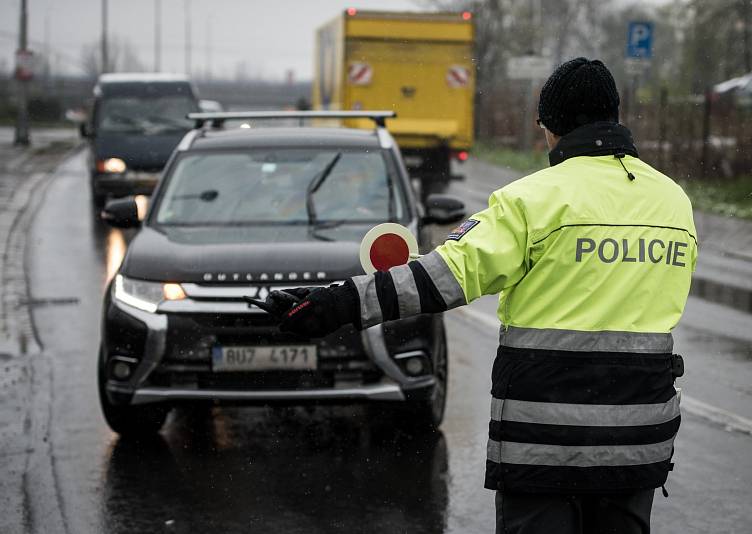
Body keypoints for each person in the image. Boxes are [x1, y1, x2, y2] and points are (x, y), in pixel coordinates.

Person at [247, 58, 698, 534]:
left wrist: (334, 305)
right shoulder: (673, 201)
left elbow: (442, 277)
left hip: (542, 440)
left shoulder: (531, 200)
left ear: (551, 127)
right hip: (638, 439)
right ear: (613, 114)